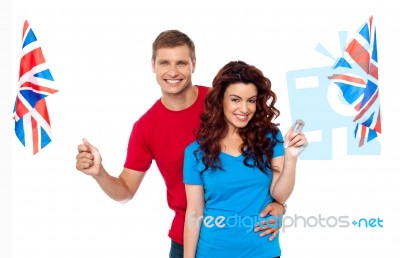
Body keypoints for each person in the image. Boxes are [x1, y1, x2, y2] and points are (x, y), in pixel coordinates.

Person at [75, 31, 284, 258]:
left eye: (181, 63)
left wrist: (280, 204)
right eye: (165, 62)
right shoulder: (146, 128)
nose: (173, 72)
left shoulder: (225, 101)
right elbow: (125, 191)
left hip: (247, 237)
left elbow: (265, 150)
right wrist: (99, 173)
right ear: (153, 65)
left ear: (193, 64)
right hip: (187, 241)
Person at [183, 60, 308, 258]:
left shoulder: (270, 137)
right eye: (235, 99)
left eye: (251, 100)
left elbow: (280, 195)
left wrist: (291, 159)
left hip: (262, 251)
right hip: (212, 251)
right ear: (220, 99)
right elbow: (194, 212)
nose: (244, 109)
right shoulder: (196, 152)